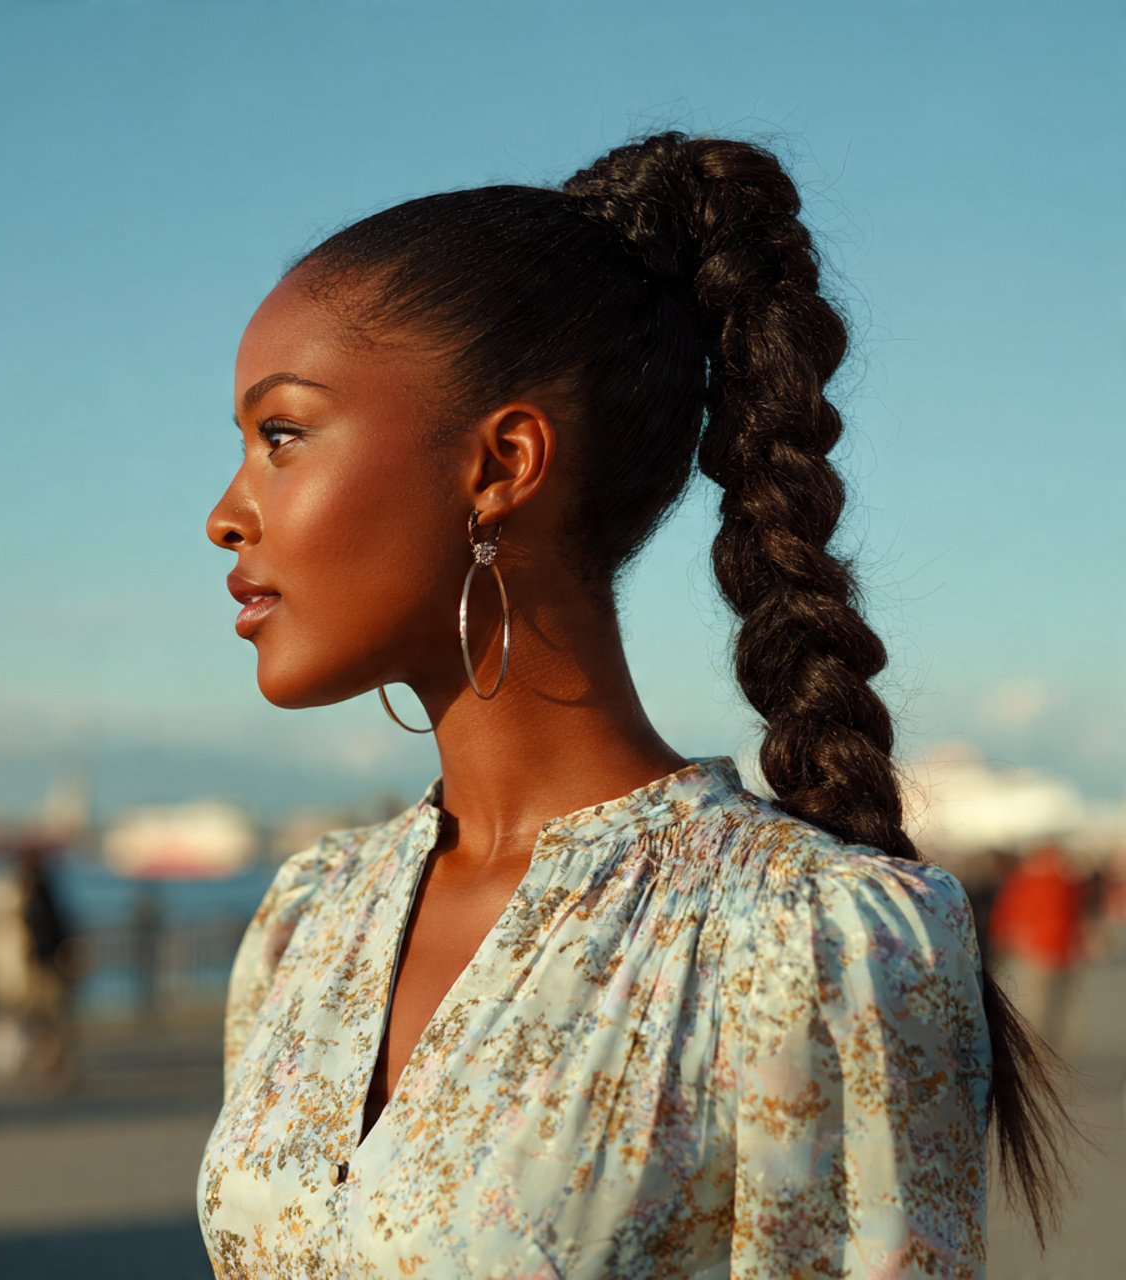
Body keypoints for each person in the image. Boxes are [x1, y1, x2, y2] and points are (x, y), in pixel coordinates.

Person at [198, 133, 1066, 1278]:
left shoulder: (794, 941)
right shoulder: (307, 919)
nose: (226, 511)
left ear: (501, 462)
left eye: (281, 437)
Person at [989, 844, 1084, 1056]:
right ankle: (1042, 1047)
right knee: (1044, 1003)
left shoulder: (1043, 879)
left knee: (1045, 1003)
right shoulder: (1051, 880)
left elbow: (1007, 910)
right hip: (1047, 950)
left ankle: (1043, 1047)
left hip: (1051, 950)